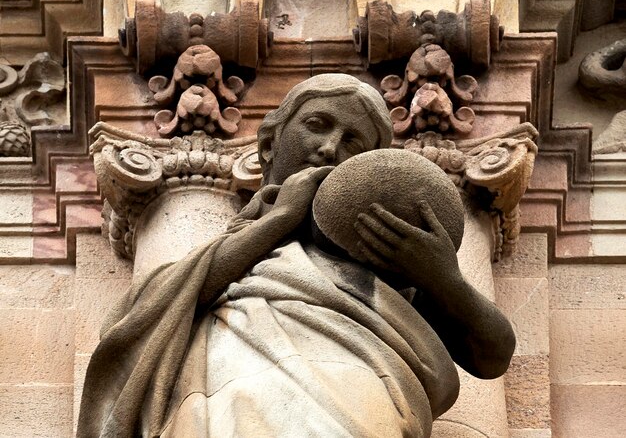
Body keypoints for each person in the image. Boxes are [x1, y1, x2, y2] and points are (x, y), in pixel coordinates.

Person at [77, 74, 514, 438]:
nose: (329, 148)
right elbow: (137, 320)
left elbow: (493, 354)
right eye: (318, 124)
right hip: (223, 402)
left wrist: (443, 278)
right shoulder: (231, 248)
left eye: (353, 142)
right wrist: (281, 218)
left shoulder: (383, 249)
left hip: (360, 397)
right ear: (269, 144)